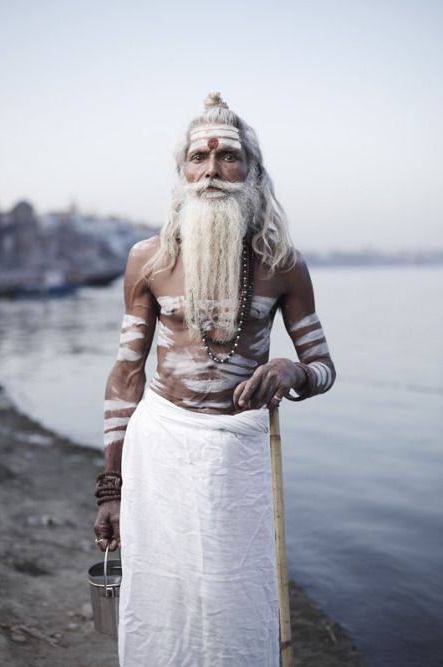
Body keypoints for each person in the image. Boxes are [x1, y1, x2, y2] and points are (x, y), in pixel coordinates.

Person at [93, 92, 336, 666]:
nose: (211, 172)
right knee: (160, 592)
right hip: (159, 448)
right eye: (197, 159)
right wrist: (110, 487)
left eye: (228, 157)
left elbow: (325, 369)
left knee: (235, 591)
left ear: (252, 170)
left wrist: (292, 369)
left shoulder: (283, 264)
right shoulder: (147, 260)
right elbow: (127, 372)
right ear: (182, 172)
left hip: (239, 451)